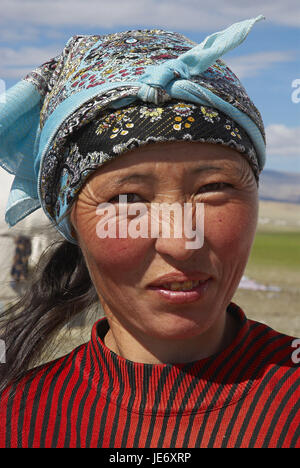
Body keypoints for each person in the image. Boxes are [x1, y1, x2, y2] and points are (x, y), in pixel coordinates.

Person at [0, 16, 299, 449]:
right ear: (72, 224)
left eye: (213, 188)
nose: (181, 242)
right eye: (127, 201)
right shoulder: (19, 421)